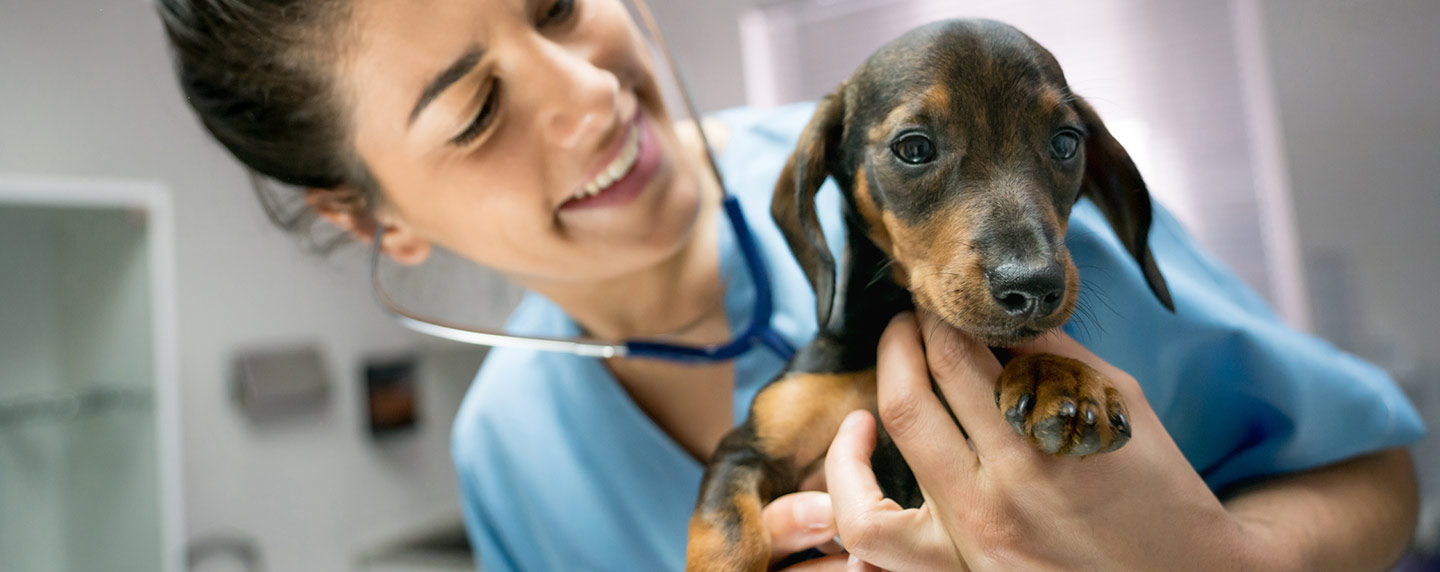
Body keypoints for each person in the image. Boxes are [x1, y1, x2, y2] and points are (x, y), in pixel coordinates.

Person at [155, 0, 1423, 570]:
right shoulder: (508, 454)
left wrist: (1221, 564)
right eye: (478, 109)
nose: (589, 91)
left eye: (556, 3)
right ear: (368, 216)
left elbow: (1375, 475)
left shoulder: (1001, 226)